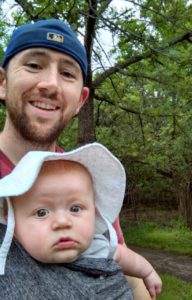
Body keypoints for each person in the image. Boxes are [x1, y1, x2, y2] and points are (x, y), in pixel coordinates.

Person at [0, 18, 160, 299]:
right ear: (2, 82)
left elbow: (121, 268)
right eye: (34, 65)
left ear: (80, 101)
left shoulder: (86, 179)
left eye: (68, 74)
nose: (50, 84)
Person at [0, 143, 161, 300]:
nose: (63, 222)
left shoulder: (97, 247)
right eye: (42, 212)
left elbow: (125, 257)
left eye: (75, 209)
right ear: (12, 223)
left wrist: (147, 272)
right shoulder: (12, 261)